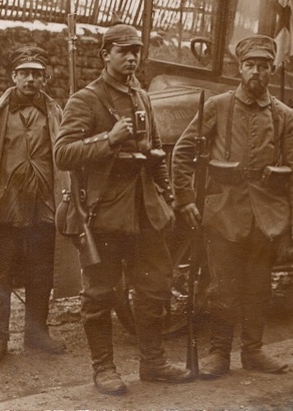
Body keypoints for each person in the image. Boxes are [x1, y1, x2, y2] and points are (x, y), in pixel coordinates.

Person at [55, 24, 192, 395]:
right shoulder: (86, 100)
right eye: (123, 51)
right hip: (104, 212)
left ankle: (153, 362)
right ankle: (104, 369)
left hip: (145, 211)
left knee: (154, 288)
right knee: (100, 294)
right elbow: (63, 153)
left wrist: (166, 194)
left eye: (136, 51)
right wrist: (108, 140)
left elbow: (155, 150)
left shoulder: (142, 97)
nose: (131, 57)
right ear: (105, 55)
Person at [172, 35, 293, 378]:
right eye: (250, 65)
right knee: (222, 286)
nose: (256, 73)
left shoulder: (282, 115)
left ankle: (253, 351)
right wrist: (186, 199)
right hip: (224, 213)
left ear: (271, 70)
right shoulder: (218, 106)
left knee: (259, 287)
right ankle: (219, 353)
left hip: (267, 215)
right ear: (240, 68)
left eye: (263, 66)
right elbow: (182, 153)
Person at [0, 47, 67, 365]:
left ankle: (37, 333)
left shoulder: (54, 112)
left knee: (41, 274)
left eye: (36, 73)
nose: (30, 79)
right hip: (3, 210)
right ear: (13, 77)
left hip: (43, 209)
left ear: (44, 78)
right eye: (24, 72)